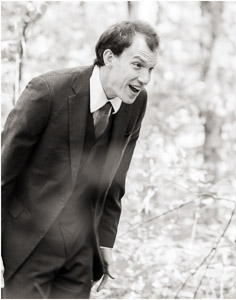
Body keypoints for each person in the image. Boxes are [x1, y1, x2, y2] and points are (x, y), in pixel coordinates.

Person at [1, 20, 158, 298]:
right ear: (109, 57)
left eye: (150, 69)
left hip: (82, 252)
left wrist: (106, 241)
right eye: (137, 66)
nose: (145, 78)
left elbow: (116, 181)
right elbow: (3, 172)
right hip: (27, 244)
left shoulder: (137, 103)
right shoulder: (48, 91)